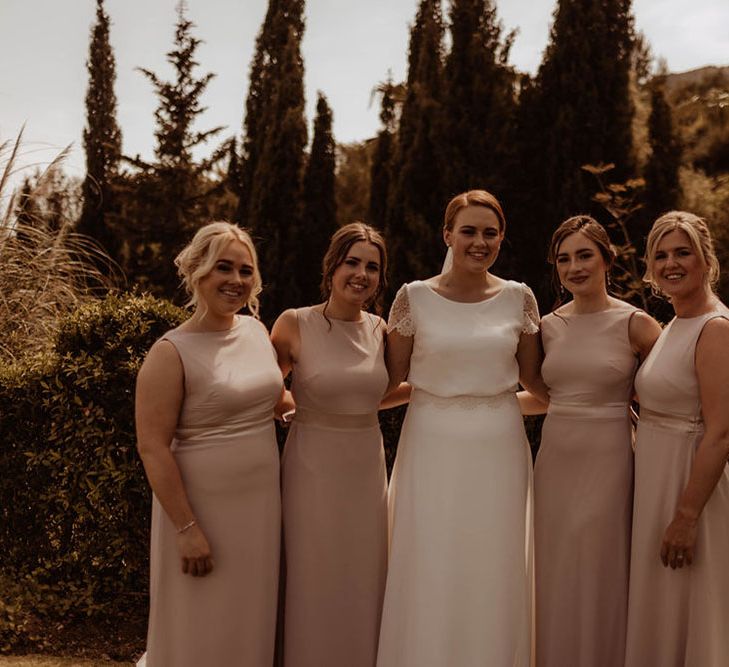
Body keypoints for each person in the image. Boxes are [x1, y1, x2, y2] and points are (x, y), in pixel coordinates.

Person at [376, 190, 547, 666]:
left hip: (499, 446)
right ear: (447, 234)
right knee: (430, 558)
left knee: (496, 562)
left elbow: (537, 381)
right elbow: (387, 382)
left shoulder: (519, 298)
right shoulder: (413, 297)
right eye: (468, 231)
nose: (479, 241)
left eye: (490, 233)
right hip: (430, 443)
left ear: (502, 238)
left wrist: (608, 405)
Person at [135, 222, 283, 666]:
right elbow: (153, 447)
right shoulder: (170, 351)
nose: (236, 281)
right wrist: (187, 530)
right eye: (224, 268)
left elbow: (273, 400)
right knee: (197, 624)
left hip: (259, 511)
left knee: (247, 620)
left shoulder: (257, 332)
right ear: (198, 272)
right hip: (199, 515)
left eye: (245, 270)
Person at [272, 222, 400, 667]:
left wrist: (443, 393)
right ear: (332, 266)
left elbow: (382, 391)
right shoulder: (294, 323)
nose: (361, 274)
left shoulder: (383, 330)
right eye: (352, 262)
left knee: (362, 572)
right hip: (312, 463)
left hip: (366, 464)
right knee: (313, 569)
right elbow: (269, 386)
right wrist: (291, 405)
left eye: (372, 267)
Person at [533, 216, 660, 667]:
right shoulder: (546, 326)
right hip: (554, 460)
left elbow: (668, 390)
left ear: (607, 258)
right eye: (564, 259)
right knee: (556, 568)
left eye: (585, 255)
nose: (574, 267)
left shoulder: (636, 324)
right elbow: (540, 396)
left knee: (600, 565)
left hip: (609, 457)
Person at [625, 211, 729, 666]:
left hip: (690, 489)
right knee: (662, 604)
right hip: (655, 478)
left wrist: (686, 516)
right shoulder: (671, 324)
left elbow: (722, 433)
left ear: (705, 260)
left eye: (682, 252)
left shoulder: (716, 328)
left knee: (692, 604)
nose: (671, 263)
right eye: (661, 255)